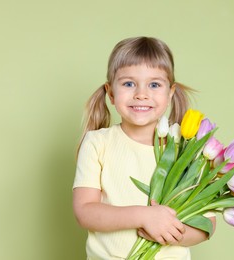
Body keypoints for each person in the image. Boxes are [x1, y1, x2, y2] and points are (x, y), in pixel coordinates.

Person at [73, 36, 216, 260]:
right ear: (111, 93)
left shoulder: (187, 149)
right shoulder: (97, 143)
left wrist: (170, 232)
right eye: (129, 84)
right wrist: (143, 216)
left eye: (154, 84)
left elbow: (207, 224)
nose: (142, 93)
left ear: (170, 93)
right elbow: (85, 211)